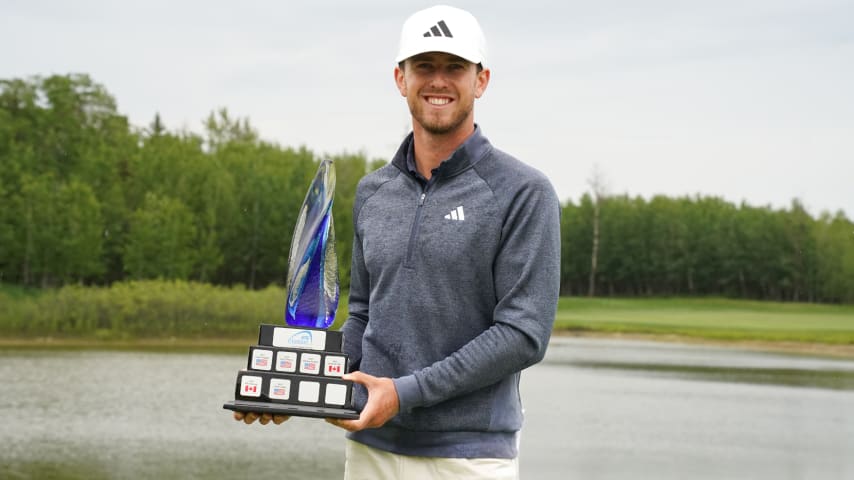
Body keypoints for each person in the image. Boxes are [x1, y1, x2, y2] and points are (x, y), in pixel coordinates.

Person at [235, 5, 560, 479]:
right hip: (370, 448)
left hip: (467, 457)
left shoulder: (523, 191)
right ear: (400, 78)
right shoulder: (373, 192)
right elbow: (365, 314)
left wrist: (403, 394)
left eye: (455, 67)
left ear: (482, 80)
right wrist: (302, 384)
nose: (439, 81)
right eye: (424, 66)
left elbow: (523, 335)